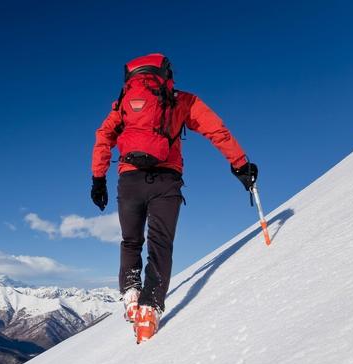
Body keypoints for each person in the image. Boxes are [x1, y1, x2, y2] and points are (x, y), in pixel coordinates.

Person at [90, 53, 258, 344]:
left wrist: (98, 179)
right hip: (166, 181)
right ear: (167, 76)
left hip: (129, 180)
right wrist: (240, 164)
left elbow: (103, 137)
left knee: (131, 241)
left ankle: (131, 294)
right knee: (160, 245)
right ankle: (149, 309)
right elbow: (216, 129)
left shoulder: (122, 105)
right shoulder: (182, 101)